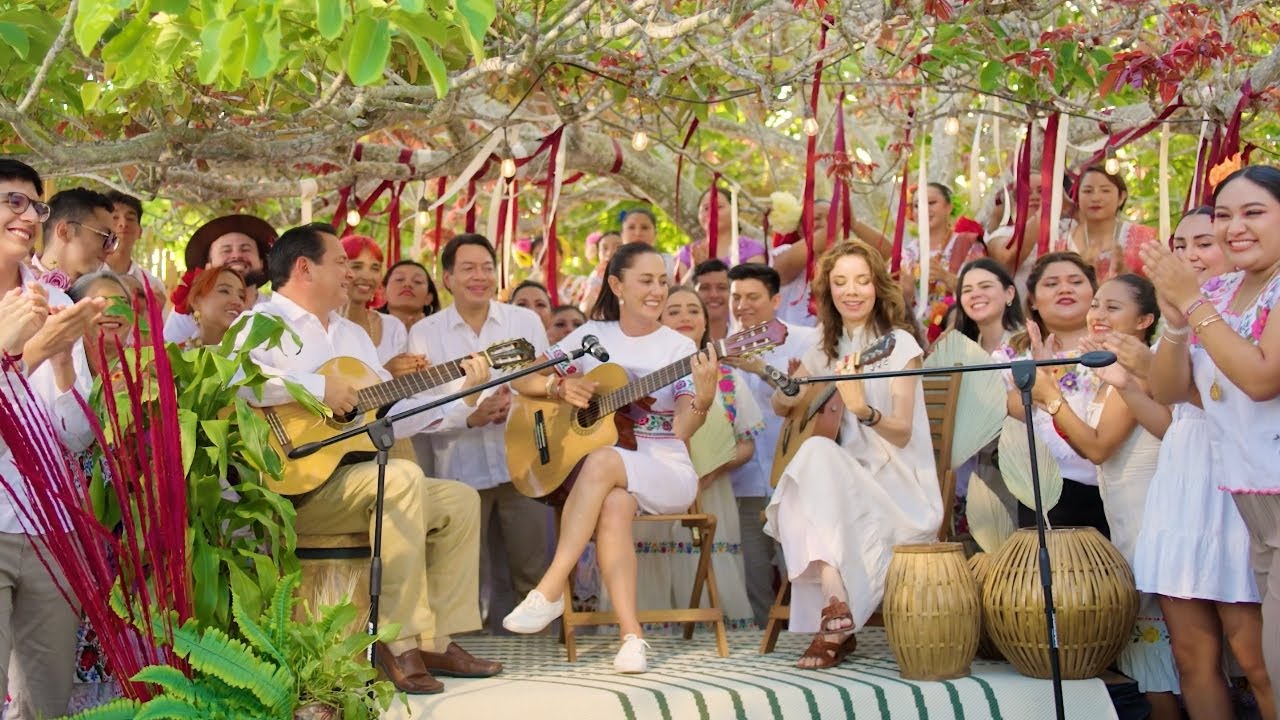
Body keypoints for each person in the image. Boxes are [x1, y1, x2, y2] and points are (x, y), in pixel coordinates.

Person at [235, 222, 500, 694]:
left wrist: (462, 393)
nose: (353, 276)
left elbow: (390, 413)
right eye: (342, 263)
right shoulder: (259, 322)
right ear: (303, 268)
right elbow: (236, 383)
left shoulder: (352, 334)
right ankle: (397, 642)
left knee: (458, 500)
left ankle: (437, 638)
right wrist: (318, 387)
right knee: (399, 477)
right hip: (289, 486)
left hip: (350, 478)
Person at [502, 242, 719, 673]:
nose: (658, 290)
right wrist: (558, 389)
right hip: (614, 472)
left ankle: (549, 588)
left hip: (664, 465)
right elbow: (520, 380)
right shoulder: (592, 338)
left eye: (663, 281)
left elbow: (681, 431)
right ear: (617, 284)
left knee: (601, 461)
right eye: (646, 280)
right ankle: (632, 637)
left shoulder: (678, 348)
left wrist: (704, 399)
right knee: (614, 505)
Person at [1124, 207, 1272, 720]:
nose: (1188, 256)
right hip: (1184, 481)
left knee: (1258, 659)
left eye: (1203, 243)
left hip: (1244, 485)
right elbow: (1171, 394)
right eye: (1179, 245)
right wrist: (1172, 323)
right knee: (1191, 657)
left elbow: (1243, 398)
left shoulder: (1257, 305)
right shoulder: (1188, 311)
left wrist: (1193, 306)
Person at [766, 241, 942, 669]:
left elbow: (901, 432)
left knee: (811, 464)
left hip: (902, 493)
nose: (852, 291)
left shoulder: (898, 345)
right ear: (828, 291)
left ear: (878, 287)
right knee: (812, 457)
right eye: (840, 282)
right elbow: (781, 404)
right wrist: (778, 384)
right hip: (846, 490)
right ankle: (836, 606)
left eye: (862, 280)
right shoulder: (827, 348)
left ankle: (835, 620)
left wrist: (863, 409)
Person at [1028, 274, 1179, 716]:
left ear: (1146, 320)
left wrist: (1053, 398)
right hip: (1127, 521)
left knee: (1161, 669)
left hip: (1151, 521)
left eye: (1113, 308)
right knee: (1152, 666)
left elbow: (1097, 446)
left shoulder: (1136, 369)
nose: (1097, 314)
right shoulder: (1108, 371)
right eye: (1096, 305)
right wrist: (1048, 390)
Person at [0, 159, 106, 719]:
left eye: (35, 205)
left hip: (51, 526)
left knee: (47, 700)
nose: (28, 215)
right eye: (12, 201)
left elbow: (75, 435)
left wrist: (62, 359)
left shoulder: (57, 303)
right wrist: (24, 353)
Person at [408, 233, 553, 636]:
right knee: (462, 574)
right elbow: (418, 409)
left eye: (487, 268)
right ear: (448, 277)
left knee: (532, 565)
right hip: (458, 468)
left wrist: (516, 403)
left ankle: (539, 657)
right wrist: (468, 415)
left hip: (521, 462)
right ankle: (464, 654)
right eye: (468, 268)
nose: (480, 277)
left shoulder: (523, 323)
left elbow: (543, 381)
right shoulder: (424, 333)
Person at [622, 286, 759, 631]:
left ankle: (712, 638)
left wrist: (712, 470)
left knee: (705, 561)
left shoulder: (727, 379)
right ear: (658, 319)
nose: (685, 317)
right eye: (674, 310)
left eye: (693, 311)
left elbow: (746, 444)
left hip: (710, 492)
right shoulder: (634, 374)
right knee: (647, 562)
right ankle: (641, 630)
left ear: (705, 323)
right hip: (649, 488)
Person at [722, 263, 819, 627]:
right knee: (753, 571)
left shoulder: (807, 340)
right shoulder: (721, 350)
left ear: (775, 300)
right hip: (744, 478)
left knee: (801, 564)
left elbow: (806, 396)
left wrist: (762, 368)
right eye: (736, 298)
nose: (742, 305)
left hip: (794, 475)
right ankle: (758, 642)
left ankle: (810, 632)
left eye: (752, 297)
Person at [1001, 252, 1108, 533]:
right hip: (1042, 492)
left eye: (1075, 281)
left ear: (1094, 294)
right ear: (1033, 299)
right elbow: (1007, 408)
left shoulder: (1113, 349)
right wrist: (1039, 380)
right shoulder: (1013, 354)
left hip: (1108, 488)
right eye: (1051, 284)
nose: (1064, 289)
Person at [163, 214, 275, 343]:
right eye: (226, 251)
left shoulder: (275, 309)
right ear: (208, 266)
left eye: (245, 249)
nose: (236, 255)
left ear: (261, 262)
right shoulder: (190, 312)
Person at [339, 236, 427, 377]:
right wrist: (385, 372)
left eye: (375, 268)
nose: (367, 276)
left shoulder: (393, 327)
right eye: (357, 266)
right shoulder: (320, 323)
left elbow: (405, 390)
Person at [1066, 166, 1156, 281]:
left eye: (1105, 190)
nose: (1095, 198)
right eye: (1088, 191)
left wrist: (1124, 272)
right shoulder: (1064, 240)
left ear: (1121, 197)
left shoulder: (1144, 239)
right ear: (1077, 196)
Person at [674, 185, 767, 282]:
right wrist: (695, 269)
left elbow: (755, 288)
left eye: (718, 207)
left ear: (735, 210)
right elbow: (678, 293)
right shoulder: (687, 253)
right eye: (706, 208)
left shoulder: (751, 249)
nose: (711, 213)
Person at [31, 188, 117, 290]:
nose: (110, 249)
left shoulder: (106, 292)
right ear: (64, 232)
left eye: (113, 240)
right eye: (105, 236)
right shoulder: (17, 283)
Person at [770, 198, 831, 328]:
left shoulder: (844, 260)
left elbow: (885, 254)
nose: (825, 224)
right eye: (817, 218)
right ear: (800, 227)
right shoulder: (784, 252)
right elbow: (822, 238)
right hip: (788, 341)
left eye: (831, 219)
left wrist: (853, 223)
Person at [954, 258, 1026, 354]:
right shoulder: (960, 352)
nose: (975, 294)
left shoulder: (1029, 342)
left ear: (1009, 293)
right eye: (967, 290)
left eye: (985, 286)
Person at [103, 191, 165, 300]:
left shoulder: (153, 286)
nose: (123, 224)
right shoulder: (85, 276)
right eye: (115, 217)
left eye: (130, 218)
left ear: (140, 232)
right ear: (101, 227)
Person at [170, 267, 246, 348]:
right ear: (196, 302)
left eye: (241, 296)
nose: (237, 301)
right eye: (224, 291)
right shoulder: (175, 356)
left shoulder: (254, 357)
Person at [380, 259, 440, 332]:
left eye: (417, 281)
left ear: (428, 298)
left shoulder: (440, 331)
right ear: (383, 292)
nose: (407, 284)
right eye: (399, 279)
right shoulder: (367, 327)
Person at [578, 231, 623, 314]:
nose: (610, 253)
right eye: (605, 248)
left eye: (618, 247)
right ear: (598, 253)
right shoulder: (595, 277)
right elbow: (586, 309)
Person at [692, 259, 731, 342]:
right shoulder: (682, 342)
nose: (714, 295)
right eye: (705, 288)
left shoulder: (743, 339)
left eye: (721, 287)